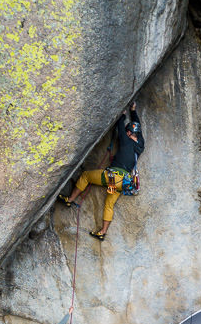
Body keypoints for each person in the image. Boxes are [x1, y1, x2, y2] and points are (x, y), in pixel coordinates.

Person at [59, 102, 144, 241]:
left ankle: (70, 200)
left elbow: (120, 128)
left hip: (112, 177)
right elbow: (137, 127)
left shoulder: (125, 140)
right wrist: (133, 111)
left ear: (129, 133)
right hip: (123, 183)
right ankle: (102, 232)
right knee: (109, 204)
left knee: (86, 176)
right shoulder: (139, 146)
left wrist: (123, 115)